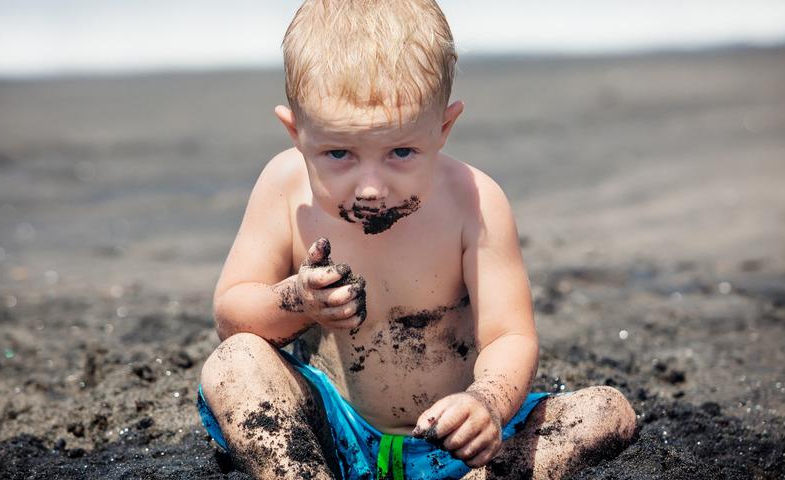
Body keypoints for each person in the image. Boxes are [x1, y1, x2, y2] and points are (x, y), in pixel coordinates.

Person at [198, 1, 636, 478]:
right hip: (333, 432)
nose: (371, 186)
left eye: (401, 151)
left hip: (454, 445)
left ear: (444, 127)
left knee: (606, 411)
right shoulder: (285, 189)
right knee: (233, 364)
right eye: (339, 153)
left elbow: (508, 334)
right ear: (296, 133)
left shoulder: (474, 202)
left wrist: (486, 403)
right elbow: (232, 318)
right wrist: (297, 301)